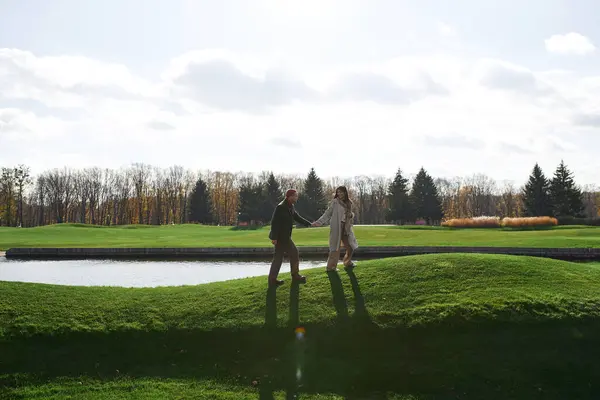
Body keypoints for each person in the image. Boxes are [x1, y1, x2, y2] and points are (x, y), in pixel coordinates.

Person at [268, 189, 313, 286]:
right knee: (293, 254)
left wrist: (309, 224)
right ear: (290, 196)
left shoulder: (290, 206)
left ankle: (273, 280)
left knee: (279, 258)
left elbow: (297, 217)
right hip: (280, 238)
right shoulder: (280, 207)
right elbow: (274, 223)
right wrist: (274, 238)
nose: (297, 198)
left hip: (285, 237)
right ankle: (295, 276)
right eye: (295, 196)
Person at [312, 186, 358, 271]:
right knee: (335, 247)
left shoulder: (349, 203)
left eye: (341, 192)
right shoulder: (335, 202)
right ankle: (330, 267)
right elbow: (327, 214)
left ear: (345, 193)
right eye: (338, 192)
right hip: (337, 226)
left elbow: (350, 214)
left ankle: (347, 262)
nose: (339, 194)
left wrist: (351, 215)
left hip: (346, 227)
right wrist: (319, 222)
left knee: (350, 246)